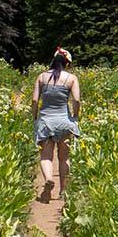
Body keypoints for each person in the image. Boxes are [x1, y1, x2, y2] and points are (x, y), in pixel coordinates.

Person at [33, 48, 82, 203]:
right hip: (64, 122)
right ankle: (63, 191)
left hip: (46, 121)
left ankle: (48, 179)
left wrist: (35, 118)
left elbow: (34, 100)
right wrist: (75, 116)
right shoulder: (71, 78)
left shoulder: (41, 77)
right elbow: (76, 100)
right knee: (64, 158)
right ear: (67, 63)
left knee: (46, 156)